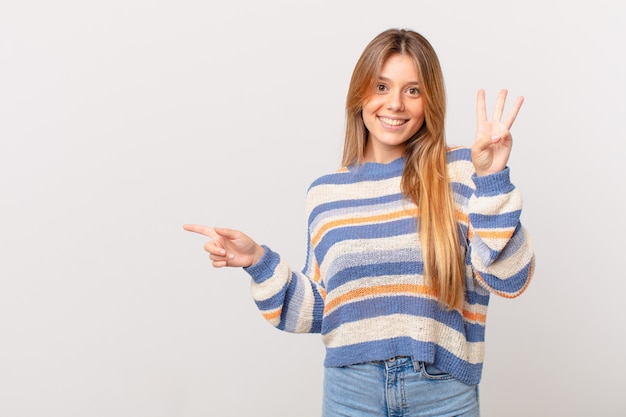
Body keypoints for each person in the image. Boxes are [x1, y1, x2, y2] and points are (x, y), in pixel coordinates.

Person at [184, 28, 534, 417]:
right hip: (351, 392)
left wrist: (492, 181)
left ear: (429, 101)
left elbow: (510, 277)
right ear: (359, 95)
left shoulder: (462, 171)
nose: (396, 104)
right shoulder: (325, 194)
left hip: (442, 392)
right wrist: (259, 261)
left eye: (413, 90)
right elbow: (321, 310)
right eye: (381, 86)